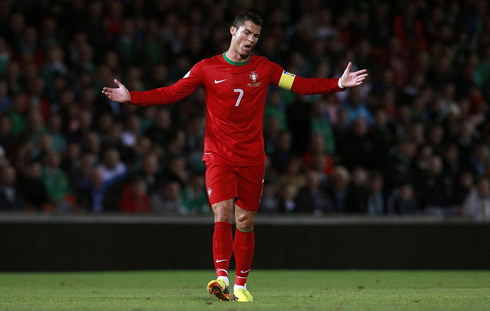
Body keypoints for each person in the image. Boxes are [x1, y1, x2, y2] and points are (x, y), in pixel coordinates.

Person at [102, 11, 367, 302]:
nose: (250, 40)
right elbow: (173, 93)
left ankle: (241, 284)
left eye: (255, 36)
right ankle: (222, 279)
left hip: (252, 157)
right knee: (223, 213)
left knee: (245, 221)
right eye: (247, 33)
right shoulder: (207, 68)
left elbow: (300, 85)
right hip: (218, 155)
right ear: (233, 31)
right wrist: (133, 97)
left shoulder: (265, 69)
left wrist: (338, 84)